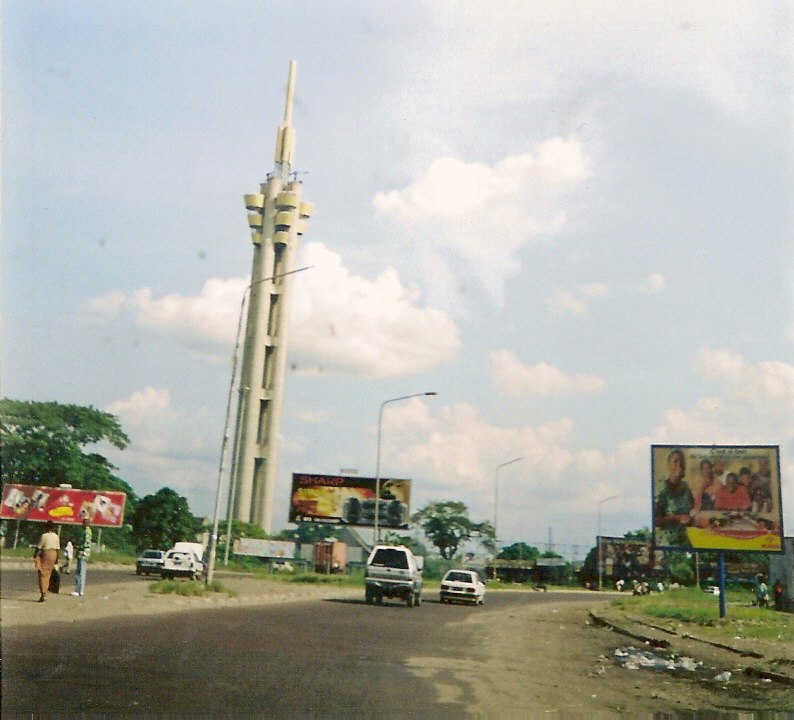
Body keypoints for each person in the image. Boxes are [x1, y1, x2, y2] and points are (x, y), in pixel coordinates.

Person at [654, 449, 694, 546]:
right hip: (666, 543)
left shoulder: (685, 487)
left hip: (684, 541)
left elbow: (691, 507)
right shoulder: (662, 488)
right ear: (668, 465)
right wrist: (678, 518)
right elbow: (655, 520)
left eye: (681, 461)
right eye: (675, 461)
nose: (679, 464)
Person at [34, 520, 60, 603]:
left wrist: (35, 555)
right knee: (48, 574)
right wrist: (56, 559)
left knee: (42, 573)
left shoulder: (44, 536)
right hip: (54, 554)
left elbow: (39, 547)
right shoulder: (56, 536)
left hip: (46, 554)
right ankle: (46, 591)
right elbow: (57, 549)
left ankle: (43, 593)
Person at [71, 518, 92, 597]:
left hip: (83, 553)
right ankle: (80, 590)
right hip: (85, 553)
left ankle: (78, 590)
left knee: (80, 572)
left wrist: (78, 547)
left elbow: (85, 543)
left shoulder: (86, 531)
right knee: (81, 572)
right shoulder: (88, 531)